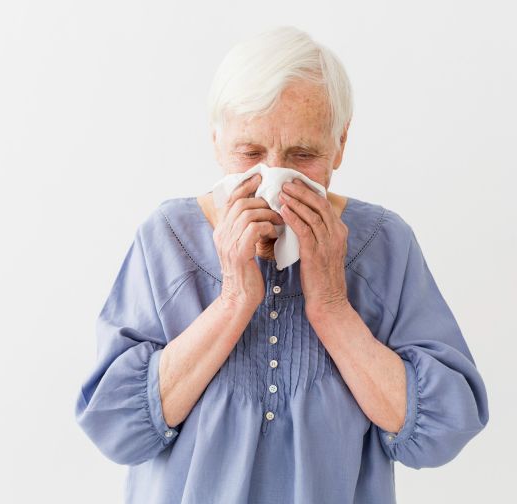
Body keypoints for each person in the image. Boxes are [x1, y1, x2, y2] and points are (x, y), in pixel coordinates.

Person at [73, 25, 489, 504]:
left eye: (303, 155)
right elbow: (116, 429)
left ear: (340, 145)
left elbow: (441, 433)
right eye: (249, 153)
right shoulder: (166, 239)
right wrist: (233, 300)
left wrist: (332, 305)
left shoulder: (385, 244)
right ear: (216, 141)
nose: (272, 178)